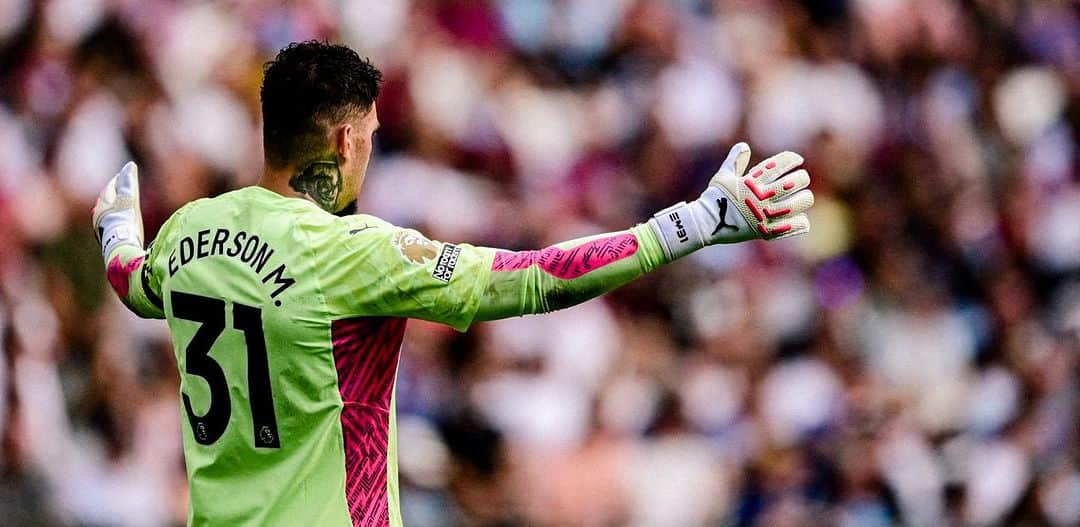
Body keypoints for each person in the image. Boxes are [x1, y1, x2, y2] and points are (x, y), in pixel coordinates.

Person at [91, 40, 813, 527]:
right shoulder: (352, 253)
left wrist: (117, 229)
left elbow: (133, 282)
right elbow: (537, 282)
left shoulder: (188, 232)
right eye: (369, 135)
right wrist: (691, 224)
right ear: (345, 141)